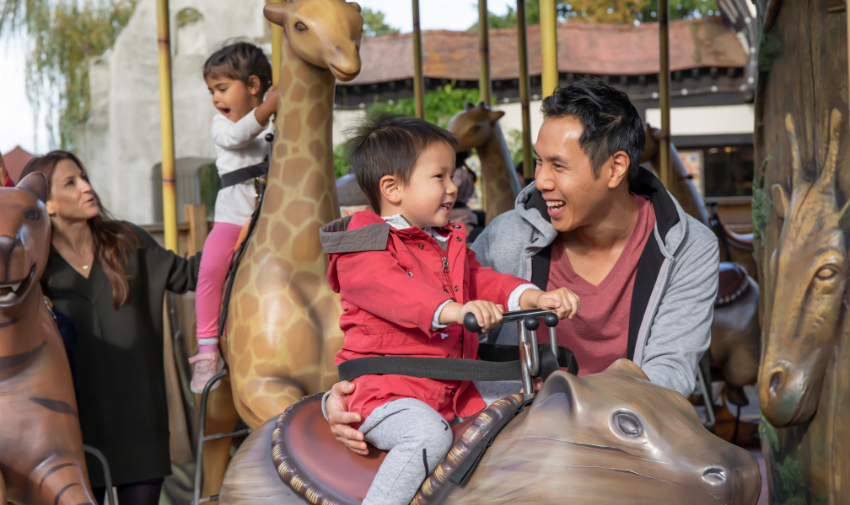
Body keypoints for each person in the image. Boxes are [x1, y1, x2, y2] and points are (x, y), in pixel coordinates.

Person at [324, 80, 719, 455]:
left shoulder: (687, 248)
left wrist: (571, 408)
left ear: (616, 168)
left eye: (558, 166)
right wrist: (345, 396)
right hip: (521, 436)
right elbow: (392, 313)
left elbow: (669, 373)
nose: (540, 180)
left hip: (625, 433)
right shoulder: (506, 236)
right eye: (537, 162)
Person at [317, 113, 578, 505]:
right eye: (439, 177)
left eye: (452, 176)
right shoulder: (363, 243)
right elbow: (392, 291)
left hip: (448, 385)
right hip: (386, 391)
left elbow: (486, 280)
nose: (452, 187)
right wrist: (453, 310)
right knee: (427, 435)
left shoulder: (445, 243)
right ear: (392, 187)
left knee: (536, 400)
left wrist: (534, 297)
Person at [20, 151, 201, 505]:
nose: (87, 187)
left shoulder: (126, 241)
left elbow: (190, 275)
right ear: (49, 205)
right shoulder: (34, 270)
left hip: (141, 427)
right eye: (70, 183)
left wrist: (241, 235)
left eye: (84, 177)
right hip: (74, 437)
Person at [190, 42, 278, 393]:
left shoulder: (277, 121)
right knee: (210, 269)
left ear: (253, 85)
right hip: (233, 220)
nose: (215, 98)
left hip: (272, 220)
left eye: (222, 89)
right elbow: (238, 136)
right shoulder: (220, 125)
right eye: (212, 91)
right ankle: (208, 349)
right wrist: (269, 107)